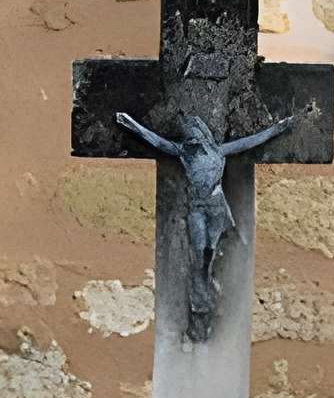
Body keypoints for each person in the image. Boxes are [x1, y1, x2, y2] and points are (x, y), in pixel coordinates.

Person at [113, 106, 307, 339]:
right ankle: (199, 303)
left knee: (209, 253)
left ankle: (210, 298)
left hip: (216, 207)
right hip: (196, 207)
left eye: (195, 131)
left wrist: (279, 128)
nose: (191, 136)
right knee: (198, 252)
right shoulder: (183, 151)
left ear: (203, 133)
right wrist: (130, 123)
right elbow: (157, 142)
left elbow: (251, 142)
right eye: (188, 133)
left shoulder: (219, 151)